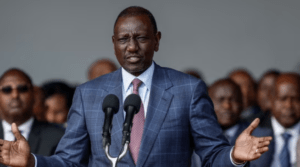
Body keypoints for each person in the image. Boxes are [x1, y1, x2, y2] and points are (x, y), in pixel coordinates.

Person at [0, 6, 272, 167]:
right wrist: (33, 162)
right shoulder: (89, 94)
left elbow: (213, 155)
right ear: (114, 42)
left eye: (141, 37)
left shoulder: (188, 90)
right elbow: (70, 161)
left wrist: (234, 156)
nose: (131, 47)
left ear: (157, 40)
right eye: (123, 39)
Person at [195, 78, 273, 166]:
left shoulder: (259, 135)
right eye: (221, 100)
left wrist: (237, 160)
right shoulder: (195, 134)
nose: (227, 106)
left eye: (233, 100)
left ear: (242, 104)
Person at [0, 68, 65, 162]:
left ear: (34, 95)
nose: (15, 95)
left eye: (23, 89)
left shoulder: (59, 137)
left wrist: (32, 162)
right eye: (7, 90)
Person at [260, 72, 300, 167]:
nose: (289, 105)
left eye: (296, 99)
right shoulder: (253, 132)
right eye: (283, 99)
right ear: (271, 100)